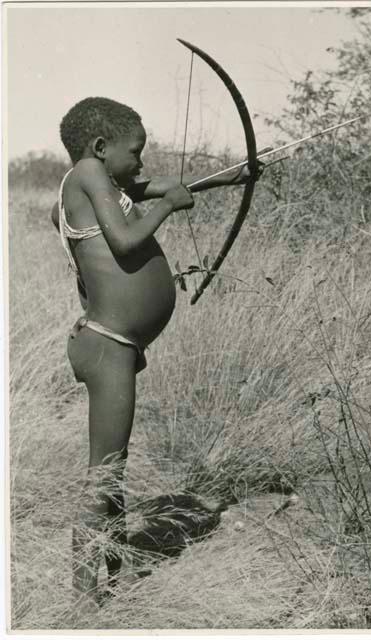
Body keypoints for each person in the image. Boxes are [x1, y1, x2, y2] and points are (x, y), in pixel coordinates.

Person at [51, 96, 261, 611]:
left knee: (113, 468)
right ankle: (83, 600)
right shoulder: (86, 174)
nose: (141, 164)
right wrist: (168, 207)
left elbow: (162, 187)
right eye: (136, 152)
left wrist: (229, 179)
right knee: (104, 473)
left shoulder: (99, 182)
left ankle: (114, 568)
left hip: (114, 344)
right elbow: (124, 241)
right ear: (100, 149)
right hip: (108, 346)